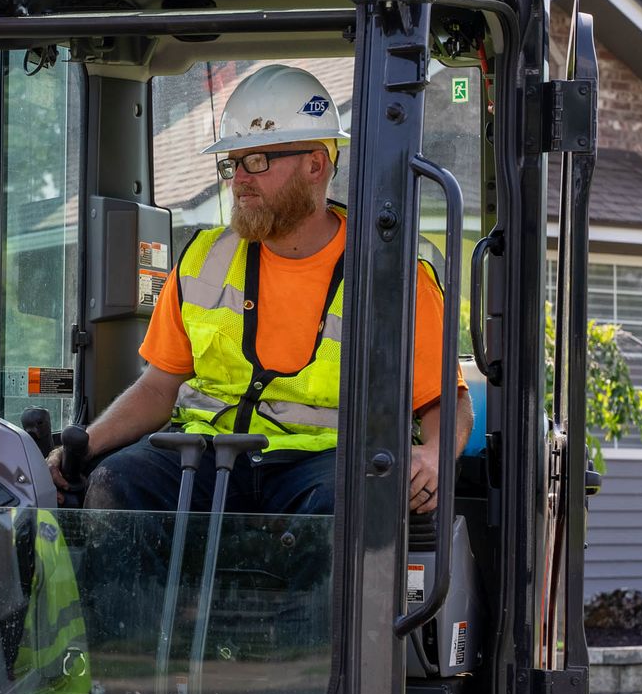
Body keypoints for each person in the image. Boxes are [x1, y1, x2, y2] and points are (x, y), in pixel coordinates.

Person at [48, 64, 473, 518]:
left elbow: (446, 401)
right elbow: (157, 388)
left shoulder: (395, 277)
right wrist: (87, 444)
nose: (239, 180)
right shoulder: (203, 259)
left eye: (257, 160)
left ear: (316, 165)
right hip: (208, 456)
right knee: (118, 484)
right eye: (233, 164)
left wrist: (433, 454)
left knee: (350, 505)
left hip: (327, 464)